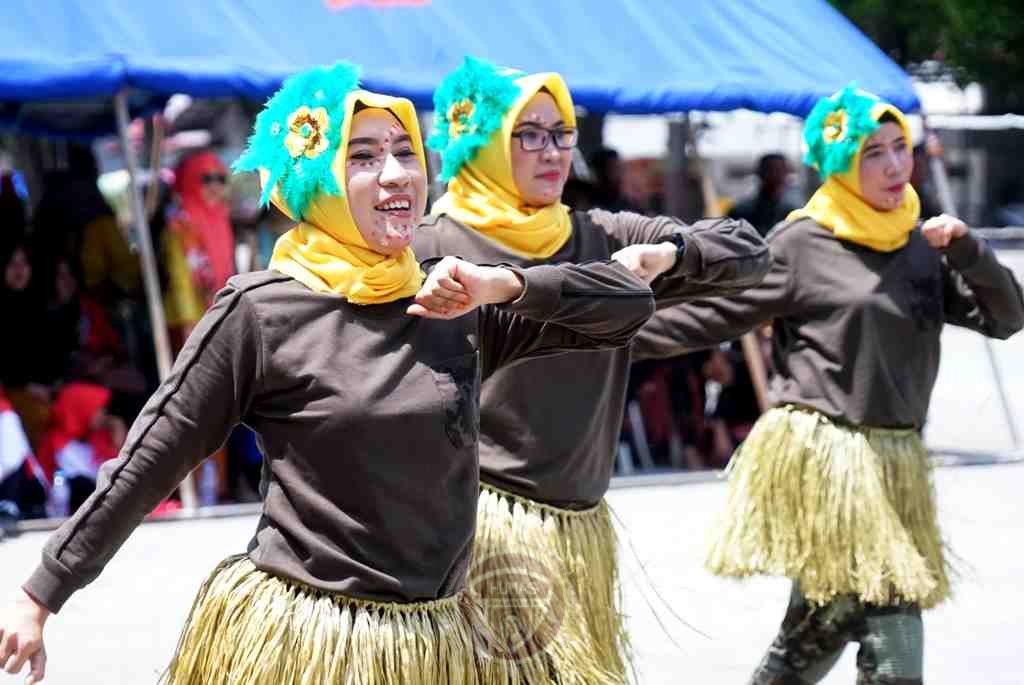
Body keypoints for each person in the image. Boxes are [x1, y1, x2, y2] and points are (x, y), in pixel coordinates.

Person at [0, 62, 655, 685]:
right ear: (316, 179)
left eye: (405, 150)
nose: (397, 173)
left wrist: (506, 282)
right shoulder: (262, 309)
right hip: (316, 635)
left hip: (443, 635)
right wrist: (42, 592)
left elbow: (624, 308)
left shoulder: (451, 300)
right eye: (363, 156)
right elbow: (153, 455)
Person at [631, 85, 1024, 684]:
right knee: (894, 637)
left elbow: (1004, 319)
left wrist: (970, 251)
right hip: (831, 464)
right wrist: (597, 333)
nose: (897, 165)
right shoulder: (802, 243)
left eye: (902, 147)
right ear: (840, 165)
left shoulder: (918, 241)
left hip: (898, 465)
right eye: (873, 153)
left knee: (814, 636)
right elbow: (712, 315)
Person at [413, 56, 771, 683]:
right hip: (482, 524)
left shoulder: (601, 235)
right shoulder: (433, 245)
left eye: (562, 132)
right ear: (484, 143)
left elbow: (750, 253)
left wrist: (671, 251)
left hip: (579, 520)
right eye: (529, 134)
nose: (552, 151)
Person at [728, 152, 802, 236]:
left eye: (781, 170)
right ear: (760, 173)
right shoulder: (741, 211)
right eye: (772, 170)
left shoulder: (792, 213)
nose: (777, 175)